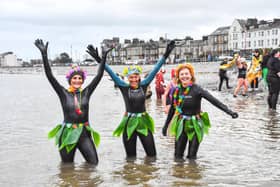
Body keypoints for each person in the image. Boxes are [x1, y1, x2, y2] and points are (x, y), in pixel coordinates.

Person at [87, 41, 176, 158]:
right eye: (131, 77)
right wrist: (99, 60)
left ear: (139, 77)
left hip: (143, 122)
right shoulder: (124, 87)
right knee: (130, 158)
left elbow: (155, 69)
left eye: (136, 76)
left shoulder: (144, 85)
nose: (133, 79)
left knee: (152, 155)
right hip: (128, 122)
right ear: (128, 78)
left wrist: (166, 54)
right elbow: (110, 72)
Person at [34, 39, 111, 164]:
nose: (77, 81)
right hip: (68, 133)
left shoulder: (87, 92)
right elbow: (50, 76)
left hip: (84, 133)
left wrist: (104, 57)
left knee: (93, 164)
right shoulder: (63, 93)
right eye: (74, 78)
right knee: (67, 169)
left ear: (83, 80)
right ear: (70, 80)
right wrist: (44, 54)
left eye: (80, 78)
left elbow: (99, 75)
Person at [162, 63, 238, 160]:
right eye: (182, 74)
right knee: (178, 156)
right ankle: (179, 174)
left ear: (191, 75)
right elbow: (172, 109)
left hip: (195, 124)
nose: (184, 76)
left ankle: (192, 171)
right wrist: (165, 126)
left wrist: (229, 112)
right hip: (181, 123)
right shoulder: (177, 91)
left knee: (192, 157)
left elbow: (214, 101)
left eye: (186, 74)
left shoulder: (197, 89)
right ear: (178, 77)